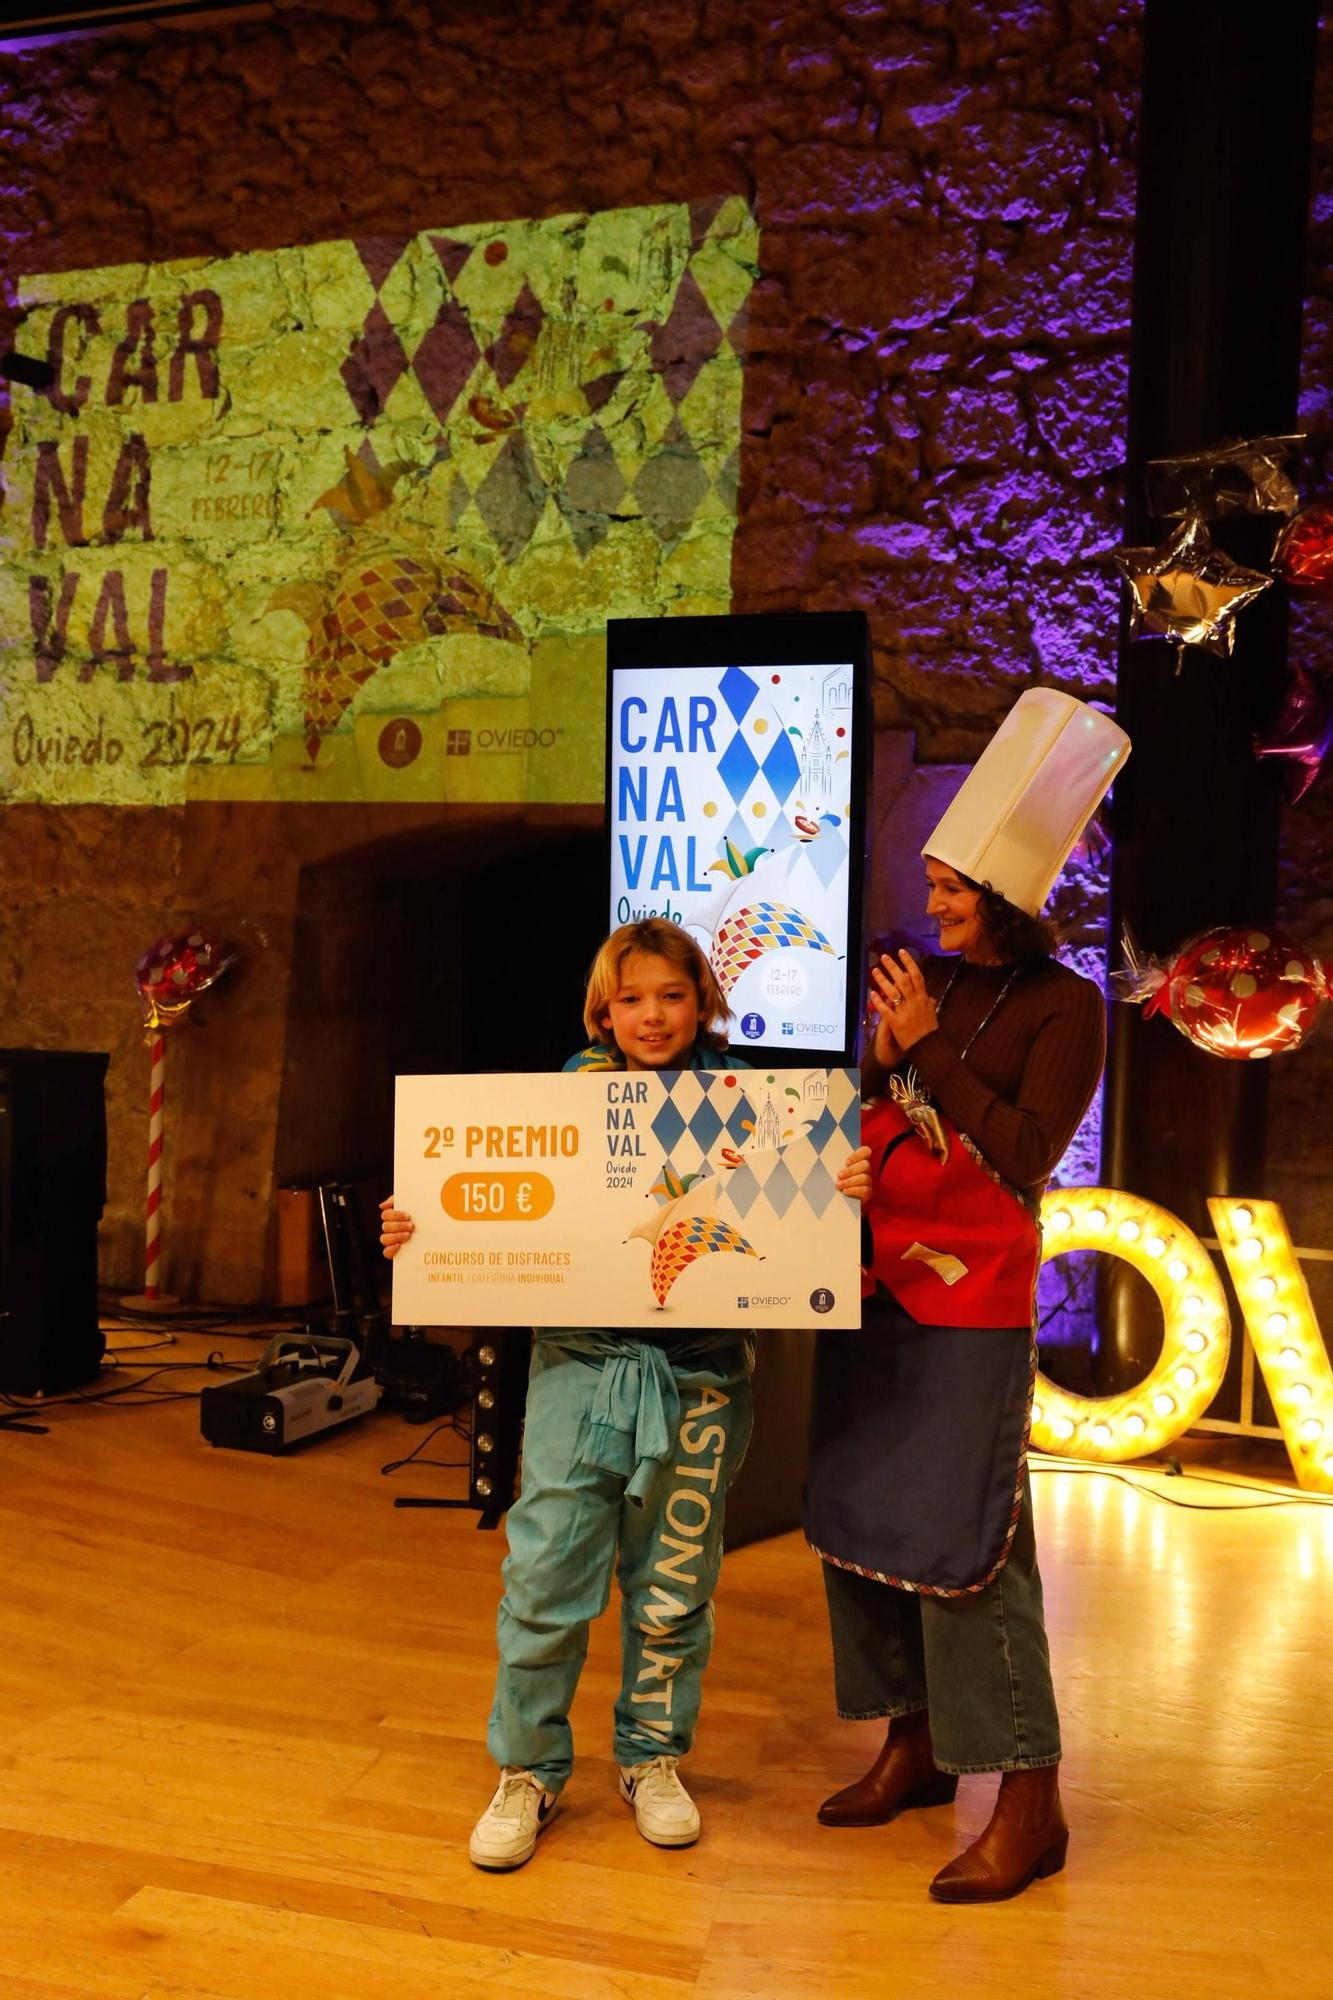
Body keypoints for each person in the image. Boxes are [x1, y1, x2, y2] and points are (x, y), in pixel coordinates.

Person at [806, 689, 1131, 1905]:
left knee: (967, 1542)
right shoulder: (920, 983)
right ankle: (915, 1742)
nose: (931, 901)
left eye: (951, 886)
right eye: (934, 881)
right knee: (857, 1515)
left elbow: (1027, 1148)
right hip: (878, 1281)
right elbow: (868, 1103)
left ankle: (1029, 1796)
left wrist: (926, 1042)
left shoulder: (1066, 1007)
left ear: (1005, 892)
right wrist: (882, 1053)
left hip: (974, 1308)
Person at [380, 917, 755, 1872]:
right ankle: (530, 1771)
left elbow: (789, 1225)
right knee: (545, 1573)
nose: (653, 1015)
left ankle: (652, 1756)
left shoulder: (753, 1106)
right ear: (604, 1009)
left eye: (671, 995)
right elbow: (482, 1195)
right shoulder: (560, 1100)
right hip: (578, 1365)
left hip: (700, 1372)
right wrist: (417, 1227)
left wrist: (838, 1187)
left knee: (673, 1584)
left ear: (701, 1001)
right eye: (631, 998)